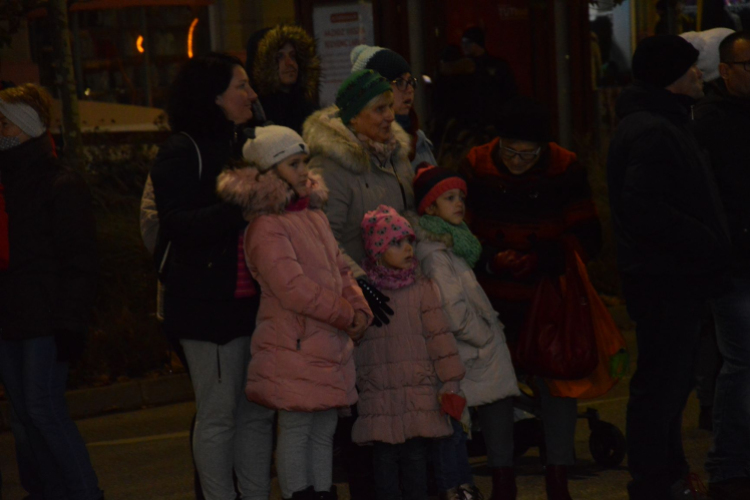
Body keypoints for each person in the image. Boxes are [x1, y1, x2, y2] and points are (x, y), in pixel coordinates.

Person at [217, 125, 372, 500]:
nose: (304, 170)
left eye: (304, 161)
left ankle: (322, 492)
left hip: (327, 344)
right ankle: (298, 494)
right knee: (297, 428)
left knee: (323, 430)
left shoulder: (314, 216)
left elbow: (340, 269)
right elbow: (293, 288)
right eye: (293, 164)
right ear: (268, 173)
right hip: (294, 345)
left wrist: (359, 307)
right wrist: (344, 313)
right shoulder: (265, 227)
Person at [607, 35, 730, 500]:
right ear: (671, 77)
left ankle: (666, 472)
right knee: (663, 384)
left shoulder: (661, 121)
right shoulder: (655, 129)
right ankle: (656, 479)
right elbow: (645, 207)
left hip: (666, 276)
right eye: (691, 68)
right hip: (666, 279)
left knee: (667, 383)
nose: (700, 74)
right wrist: (705, 240)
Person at [460, 96, 602, 500]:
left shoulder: (565, 167)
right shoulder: (477, 164)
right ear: (498, 143)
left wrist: (544, 258)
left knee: (556, 380)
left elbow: (588, 234)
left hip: (547, 296)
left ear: (543, 149)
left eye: (528, 154)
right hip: (491, 296)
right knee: (495, 385)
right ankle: (502, 478)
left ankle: (558, 475)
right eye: (510, 151)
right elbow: (458, 227)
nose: (518, 161)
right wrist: (491, 258)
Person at [150, 53, 275, 500]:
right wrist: (240, 208)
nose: (252, 94)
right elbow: (177, 224)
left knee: (257, 413)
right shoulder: (182, 151)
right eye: (242, 86)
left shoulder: (247, 144)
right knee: (219, 415)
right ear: (213, 96)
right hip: (206, 309)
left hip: (253, 305)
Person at [303, 69, 415, 499]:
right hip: (362, 302)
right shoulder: (331, 165)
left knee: (404, 403)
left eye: (390, 107)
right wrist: (360, 282)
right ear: (353, 117)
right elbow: (324, 236)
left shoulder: (394, 155)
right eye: (379, 109)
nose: (389, 116)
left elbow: (409, 217)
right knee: (367, 413)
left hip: (400, 291)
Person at [0, 83, 102, 500]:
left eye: (5, 123)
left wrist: (70, 322)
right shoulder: (8, 182)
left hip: (45, 317)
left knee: (42, 408)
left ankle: (82, 492)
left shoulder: (59, 183)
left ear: (26, 127)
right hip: (11, 315)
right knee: (23, 415)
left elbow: (79, 259)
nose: (0, 131)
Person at [412, 165, 519, 500]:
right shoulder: (435, 254)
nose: (458, 203)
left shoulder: (456, 244)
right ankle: (479, 487)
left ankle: (500, 484)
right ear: (430, 208)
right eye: (448, 198)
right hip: (470, 351)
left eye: (460, 197)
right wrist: (485, 335)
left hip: (475, 350)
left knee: (494, 413)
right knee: (470, 422)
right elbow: (453, 311)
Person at [352, 205, 465, 500]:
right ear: (377, 252)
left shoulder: (422, 289)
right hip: (379, 393)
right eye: (396, 243)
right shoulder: (363, 294)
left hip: (417, 389)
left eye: (408, 241)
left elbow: (439, 337)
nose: (407, 249)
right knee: (384, 459)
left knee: (416, 455)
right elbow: (353, 340)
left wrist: (450, 380)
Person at [693, 29, 750, 500]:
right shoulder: (709, 121)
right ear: (726, 70)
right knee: (743, 363)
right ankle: (728, 466)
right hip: (735, 263)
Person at [350, 45, 437, 170]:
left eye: (410, 81)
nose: (410, 89)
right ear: (376, 92)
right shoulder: (364, 146)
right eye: (400, 82)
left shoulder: (418, 138)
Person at [245, 25, 320, 133]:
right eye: (280, 56)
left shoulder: (309, 111)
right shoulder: (253, 113)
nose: (290, 63)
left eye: (293, 56)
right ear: (263, 64)